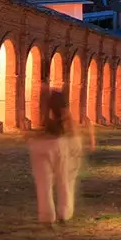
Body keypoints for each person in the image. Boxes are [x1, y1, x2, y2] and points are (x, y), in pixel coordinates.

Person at [29, 88, 80, 225]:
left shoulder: (42, 110)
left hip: (40, 145)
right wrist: (76, 144)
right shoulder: (63, 112)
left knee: (43, 184)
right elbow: (71, 127)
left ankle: (47, 217)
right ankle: (63, 213)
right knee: (64, 180)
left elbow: (39, 128)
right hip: (58, 144)